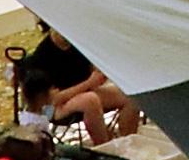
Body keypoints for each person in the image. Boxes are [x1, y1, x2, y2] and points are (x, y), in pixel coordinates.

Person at [10, 27, 141, 144]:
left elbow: (94, 73)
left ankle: (128, 142)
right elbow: (51, 99)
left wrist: (99, 70)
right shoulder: (42, 57)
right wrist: (89, 83)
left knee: (131, 95)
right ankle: (105, 146)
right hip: (49, 109)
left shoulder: (79, 45)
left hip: (84, 93)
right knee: (90, 100)